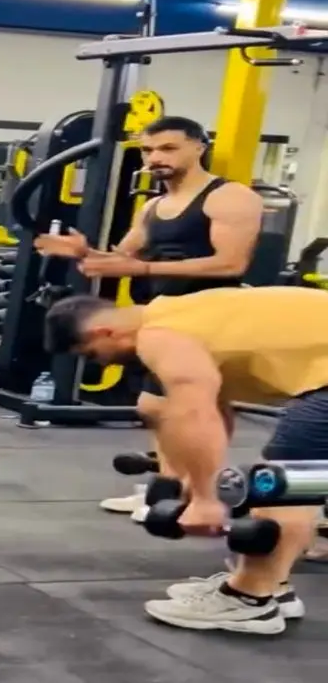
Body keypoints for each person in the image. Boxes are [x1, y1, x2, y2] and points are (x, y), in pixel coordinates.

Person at [44, 286, 328, 634]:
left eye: (92, 354)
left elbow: (193, 410)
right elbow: (214, 411)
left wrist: (207, 501)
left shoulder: (159, 336)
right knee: (295, 481)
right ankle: (273, 586)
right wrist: (195, 481)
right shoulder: (178, 315)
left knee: (280, 484)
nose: (101, 362)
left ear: (103, 332)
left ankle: (249, 599)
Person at [35, 116, 263, 521]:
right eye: (148, 150)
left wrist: (140, 269)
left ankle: (188, 489)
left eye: (168, 148)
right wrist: (85, 254)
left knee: (170, 405)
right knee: (165, 407)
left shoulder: (228, 197)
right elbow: (122, 258)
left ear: (198, 147)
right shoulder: (153, 206)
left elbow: (230, 263)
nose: (155, 157)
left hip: (210, 316)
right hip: (161, 317)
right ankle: (175, 487)